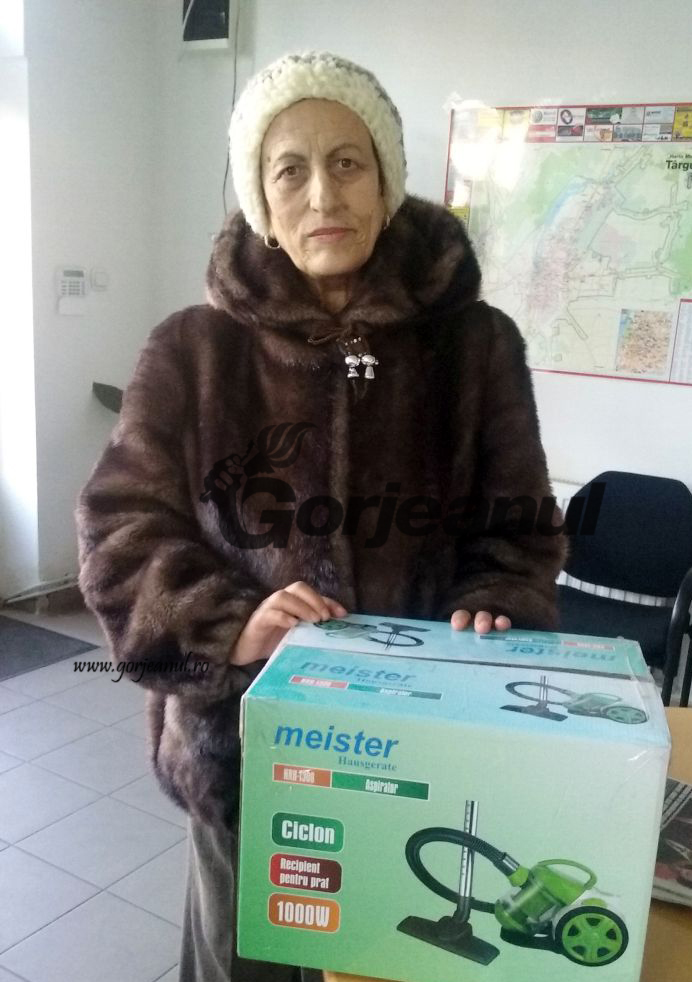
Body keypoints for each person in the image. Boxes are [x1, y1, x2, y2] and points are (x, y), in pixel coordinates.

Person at [76, 51, 565, 982]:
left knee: (400, 959)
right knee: (242, 965)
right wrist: (228, 624)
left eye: (348, 162)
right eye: (288, 169)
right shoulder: (193, 350)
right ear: (260, 199)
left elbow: (520, 526)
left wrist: (500, 597)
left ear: (387, 181)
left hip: (421, 754)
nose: (322, 194)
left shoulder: (476, 347)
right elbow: (119, 527)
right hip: (246, 752)